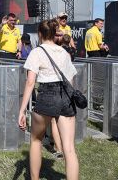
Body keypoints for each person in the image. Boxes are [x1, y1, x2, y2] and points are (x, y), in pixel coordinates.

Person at [18, 19, 79, 180]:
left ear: (40, 34)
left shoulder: (37, 52)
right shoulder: (64, 53)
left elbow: (30, 82)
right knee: (69, 148)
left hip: (46, 95)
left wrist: (22, 110)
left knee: (36, 140)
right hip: (66, 96)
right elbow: (71, 80)